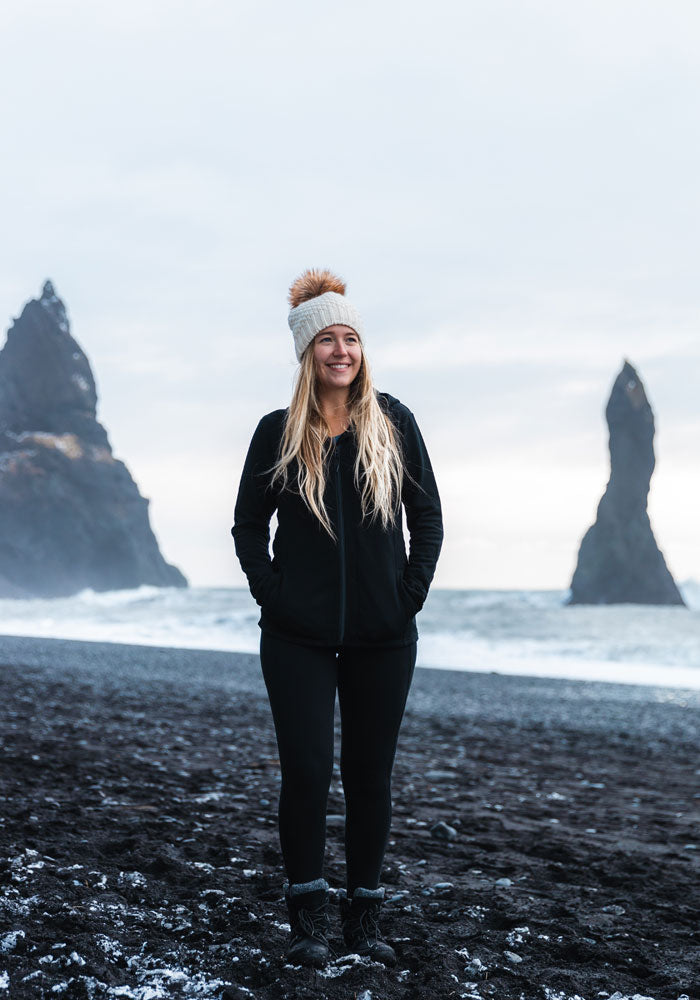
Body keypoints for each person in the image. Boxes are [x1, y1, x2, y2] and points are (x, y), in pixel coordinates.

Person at [231, 268, 443, 968]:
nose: (341, 350)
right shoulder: (277, 434)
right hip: (297, 637)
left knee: (369, 775)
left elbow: (429, 521)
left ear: (362, 350)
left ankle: (364, 921)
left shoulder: (395, 423)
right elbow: (247, 526)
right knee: (308, 770)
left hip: (386, 637)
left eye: (350, 337)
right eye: (327, 339)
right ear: (306, 354)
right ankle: (308, 919)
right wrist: (274, 594)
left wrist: (407, 594)